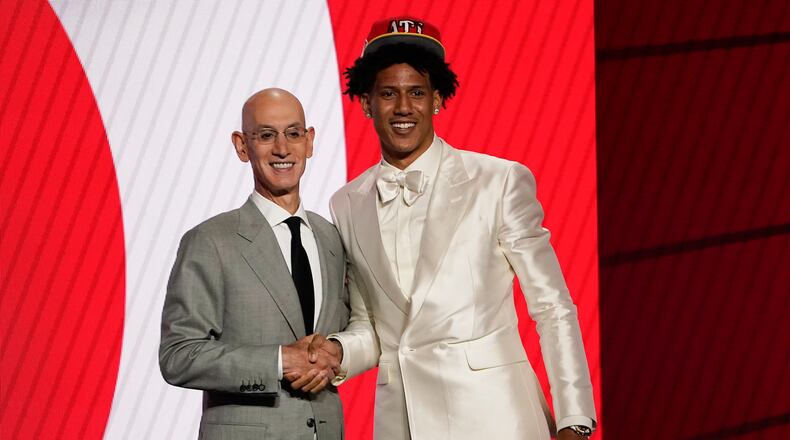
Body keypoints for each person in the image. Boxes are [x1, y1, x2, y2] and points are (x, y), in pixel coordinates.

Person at [308, 17, 597, 440]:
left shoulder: (498, 181)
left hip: (498, 420)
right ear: (366, 103)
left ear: (438, 100)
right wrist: (335, 352)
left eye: (417, 93)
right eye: (388, 94)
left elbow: (552, 307)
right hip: (401, 424)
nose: (403, 107)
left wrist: (575, 419)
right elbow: (371, 324)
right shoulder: (346, 202)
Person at [159, 88, 349, 440]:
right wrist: (278, 362)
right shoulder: (210, 241)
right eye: (265, 135)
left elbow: (349, 331)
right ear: (241, 146)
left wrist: (336, 352)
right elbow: (178, 355)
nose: (282, 148)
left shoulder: (331, 238)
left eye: (293, 133)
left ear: (309, 142)